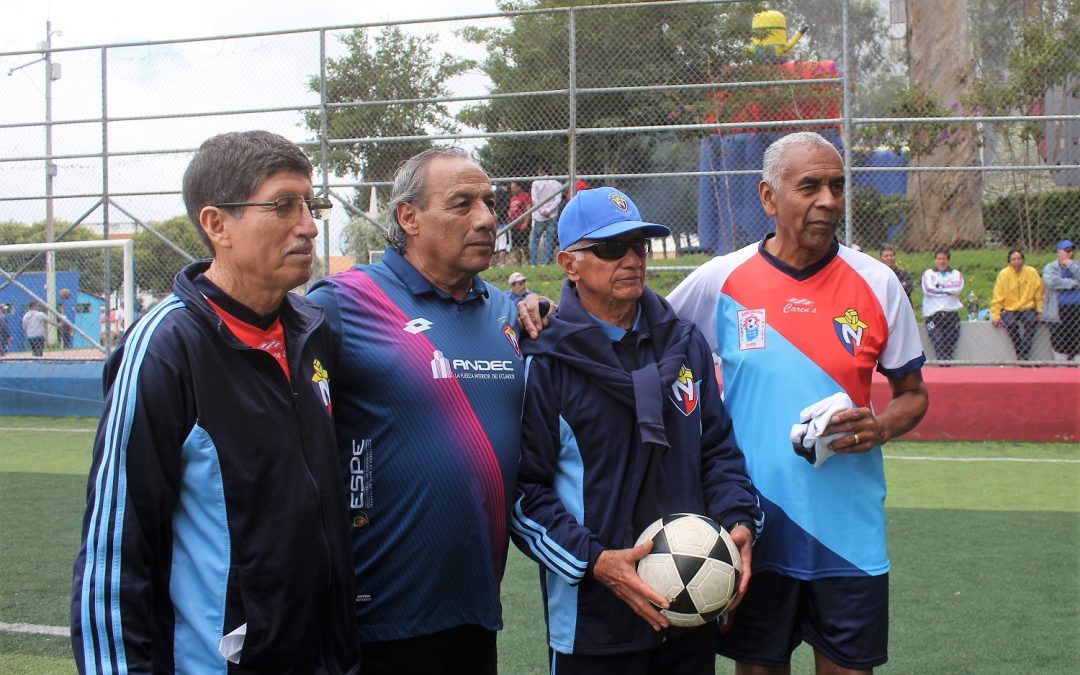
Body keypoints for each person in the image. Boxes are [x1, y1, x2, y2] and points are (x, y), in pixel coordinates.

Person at [70, 130, 359, 674]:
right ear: (216, 224)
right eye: (282, 205)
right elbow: (116, 555)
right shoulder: (164, 349)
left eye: (309, 203)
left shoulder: (311, 331)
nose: (308, 224)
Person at [667, 131, 929, 674]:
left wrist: (879, 428)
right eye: (809, 186)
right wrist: (545, 310)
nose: (828, 200)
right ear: (768, 197)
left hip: (848, 532)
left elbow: (913, 396)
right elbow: (645, 334)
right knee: (759, 668)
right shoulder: (722, 278)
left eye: (837, 186)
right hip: (753, 526)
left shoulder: (878, 284)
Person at [512, 187, 761, 675]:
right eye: (610, 248)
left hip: (690, 610)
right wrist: (598, 562)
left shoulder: (685, 343)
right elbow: (525, 495)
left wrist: (740, 521)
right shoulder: (542, 360)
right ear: (569, 263)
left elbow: (718, 452)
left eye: (640, 246)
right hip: (595, 621)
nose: (631, 259)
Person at [307, 147, 526, 675]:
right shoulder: (341, 302)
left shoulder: (504, 310)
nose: (487, 218)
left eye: (490, 203)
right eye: (462, 204)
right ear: (408, 217)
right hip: (376, 616)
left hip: (475, 610)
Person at [990, 249, 1044, 361]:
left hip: (1027, 307)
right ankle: (1021, 353)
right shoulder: (1004, 274)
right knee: (1011, 324)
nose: (1016, 261)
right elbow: (997, 296)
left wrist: (1040, 310)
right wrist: (995, 315)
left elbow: (1039, 293)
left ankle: (1023, 355)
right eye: (1013, 259)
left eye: (1019, 259)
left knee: (1031, 322)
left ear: (1023, 260)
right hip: (1009, 308)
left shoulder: (1032, 272)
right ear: (1009, 262)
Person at [921, 248, 964, 361]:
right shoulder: (928, 274)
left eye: (944, 259)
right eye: (939, 259)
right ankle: (941, 371)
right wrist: (948, 289)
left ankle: (949, 373)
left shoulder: (956, 274)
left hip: (951, 314)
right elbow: (928, 289)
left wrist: (939, 286)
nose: (941, 261)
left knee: (949, 348)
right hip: (933, 315)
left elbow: (957, 288)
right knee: (938, 343)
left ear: (948, 260)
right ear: (935, 260)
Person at [1043, 239, 1080, 361]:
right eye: (1067, 251)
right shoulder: (1051, 267)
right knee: (1059, 339)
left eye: (1072, 250)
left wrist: (1070, 264)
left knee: (1077, 338)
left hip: (1077, 308)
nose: (1071, 253)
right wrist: (1074, 284)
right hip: (1058, 309)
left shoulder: (1077, 265)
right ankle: (1062, 367)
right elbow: (1052, 282)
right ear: (1059, 253)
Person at [530, 163, 563, 265]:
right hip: (552, 215)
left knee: (535, 239)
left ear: (541, 171)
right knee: (549, 239)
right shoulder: (557, 184)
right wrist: (549, 210)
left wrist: (541, 210)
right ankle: (545, 262)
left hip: (539, 215)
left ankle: (533, 263)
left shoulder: (536, 183)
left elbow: (535, 199)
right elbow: (558, 199)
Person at [507, 180, 532, 266]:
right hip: (514, 226)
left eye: (514, 187)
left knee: (524, 246)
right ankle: (519, 264)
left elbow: (529, 210)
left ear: (519, 187)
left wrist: (526, 223)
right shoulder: (512, 198)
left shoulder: (525, 196)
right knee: (516, 247)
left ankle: (529, 262)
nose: (512, 190)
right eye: (511, 188)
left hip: (523, 226)